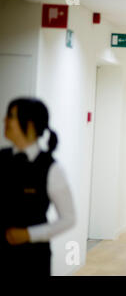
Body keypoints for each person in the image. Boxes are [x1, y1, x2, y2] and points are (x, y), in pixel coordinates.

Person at [0, 98, 76, 276]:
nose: (5, 120)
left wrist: (29, 234)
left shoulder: (51, 168)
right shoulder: (2, 158)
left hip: (32, 259)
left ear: (31, 124)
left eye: (11, 116)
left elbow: (69, 219)